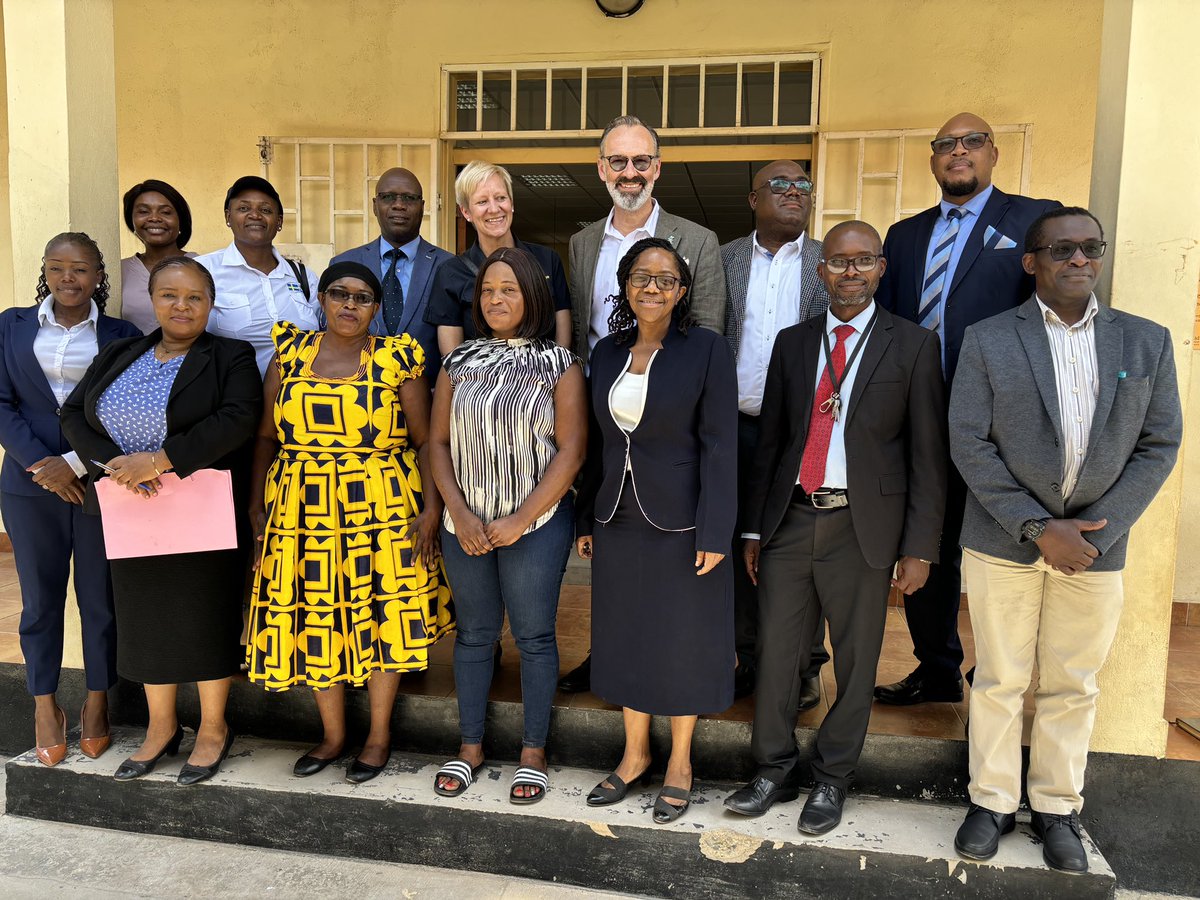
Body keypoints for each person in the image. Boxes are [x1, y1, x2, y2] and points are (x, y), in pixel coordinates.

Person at [949, 208, 1181, 873]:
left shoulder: (1146, 342)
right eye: (1062, 249)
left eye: (1091, 248)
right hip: (1003, 541)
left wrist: (1096, 533)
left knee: (1073, 682)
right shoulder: (989, 339)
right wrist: (1035, 526)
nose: (1079, 260)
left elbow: (1159, 445)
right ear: (1032, 262)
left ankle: (1056, 808)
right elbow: (968, 440)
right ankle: (990, 801)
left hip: (1096, 550)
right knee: (999, 677)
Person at [724, 222, 946, 835]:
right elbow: (769, 445)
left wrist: (920, 546)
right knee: (777, 654)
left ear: (880, 269)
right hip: (790, 518)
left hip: (863, 526)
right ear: (820, 272)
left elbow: (928, 456)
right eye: (838, 262)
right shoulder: (794, 344)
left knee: (855, 658)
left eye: (863, 262)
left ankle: (832, 777)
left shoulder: (914, 345)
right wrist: (751, 531)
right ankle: (772, 767)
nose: (850, 272)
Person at [874, 112, 1062, 708]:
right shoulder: (903, 236)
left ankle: (997, 677)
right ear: (932, 160)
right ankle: (936, 669)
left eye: (972, 142)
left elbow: (1057, 311)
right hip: (920, 416)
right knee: (924, 542)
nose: (959, 152)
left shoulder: (1033, 218)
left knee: (996, 548)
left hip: (998, 422)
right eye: (946, 145)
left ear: (993, 154)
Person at [245, 261, 454, 784]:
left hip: (381, 505)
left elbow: (426, 439)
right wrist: (255, 504)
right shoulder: (290, 355)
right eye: (339, 294)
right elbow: (267, 436)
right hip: (301, 509)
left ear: (376, 308)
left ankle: (379, 735)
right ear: (321, 297)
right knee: (319, 619)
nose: (349, 305)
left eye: (363, 298)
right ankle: (333, 735)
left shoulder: (396, 358)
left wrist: (431, 509)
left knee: (386, 614)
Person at [61, 257, 262, 785]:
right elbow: (74, 414)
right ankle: (161, 728)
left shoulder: (230, 356)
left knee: (204, 617)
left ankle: (214, 728)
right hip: (133, 510)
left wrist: (160, 459)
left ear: (210, 304)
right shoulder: (121, 352)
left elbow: (238, 419)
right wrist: (114, 466)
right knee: (145, 620)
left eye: (195, 297)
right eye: (170, 295)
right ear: (152, 300)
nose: (182, 306)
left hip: (202, 509)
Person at [558, 114, 729, 694]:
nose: (629, 173)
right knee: (617, 577)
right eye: (617, 161)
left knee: (675, 585)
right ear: (601, 169)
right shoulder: (582, 243)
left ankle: (671, 678)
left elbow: (706, 331)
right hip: (606, 408)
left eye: (640, 161)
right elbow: (585, 335)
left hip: (672, 426)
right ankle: (610, 661)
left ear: (657, 167)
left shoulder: (698, 240)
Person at [577, 237, 737, 824]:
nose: (652, 287)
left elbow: (721, 446)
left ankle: (680, 764)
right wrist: (585, 517)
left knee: (681, 639)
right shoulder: (607, 352)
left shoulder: (707, 350)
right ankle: (635, 753)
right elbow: (598, 443)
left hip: (685, 521)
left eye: (665, 279)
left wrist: (717, 532)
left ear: (682, 290)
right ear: (624, 284)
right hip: (616, 517)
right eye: (641, 277)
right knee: (626, 635)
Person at [429, 247, 585, 805]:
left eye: (510, 289)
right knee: (473, 635)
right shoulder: (456, 363)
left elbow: (571, 452)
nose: (497, 299)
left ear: (533, 298)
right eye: (489, 290)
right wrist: (460, 513)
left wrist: (521, 519)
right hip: (464, 523)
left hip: (535, 523)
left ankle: (533, 751)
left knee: (535, 636)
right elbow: (438, 443)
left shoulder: (559, 364)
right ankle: (470, 747)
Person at [0, 233, 140, 766]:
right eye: (57, 267)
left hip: (99, 481)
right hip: (28, 484)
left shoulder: (121, 334)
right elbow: (1, 403)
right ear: (44, 270)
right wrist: (42, 466)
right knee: (39, 601)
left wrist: (76, 464)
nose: (68, 278)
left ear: (100, 276)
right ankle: (44, 705)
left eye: (80, 269)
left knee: (99, 598)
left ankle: (97, 702)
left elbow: (124, 407)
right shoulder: (10, 326)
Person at [721, 159, 830, 703]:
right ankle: (747, 655)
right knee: (741, 540)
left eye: (802, 185)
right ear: (753, 199)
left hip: (807, 432)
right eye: (780, 185)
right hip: (735, 427)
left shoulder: (827, 262)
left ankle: (807, 665)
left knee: (800, 547)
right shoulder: (724, 260)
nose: (794, 192)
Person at [423, 162, 572, 356]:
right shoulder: (450, 273)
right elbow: (453, 359)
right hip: (479, 382)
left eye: (501, 198)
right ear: (466, 212)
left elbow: (563, 337)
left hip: (545, 381)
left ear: (512, 203)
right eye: (482, 202)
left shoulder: (547, 260)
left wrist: (557, 377)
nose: (494, 209)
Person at [329, 167, 452, 374]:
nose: (399, 205)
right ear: (375, 206)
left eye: (409, 198)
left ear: (422, 207)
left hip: (427, 398)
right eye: (388, 197)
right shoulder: (343, 264)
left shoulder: (448, 266)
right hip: (357, 396)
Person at [196, 175, 321, 376]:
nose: (255, 215)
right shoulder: (203, 271)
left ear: (279, 221)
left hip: (294, 399)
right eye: (244, 208)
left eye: (265, 210)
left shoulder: (303, 276)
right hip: (231, 399)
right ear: (228, 217)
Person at [119, 180, 196, 335]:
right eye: (143, 211)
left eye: (166, 212)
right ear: (131, 221)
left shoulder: (202, 266)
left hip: (194, 357)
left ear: (181, 220)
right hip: (134, 357)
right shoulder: (119, 271)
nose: (154, 218)